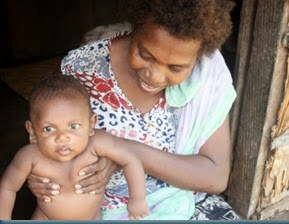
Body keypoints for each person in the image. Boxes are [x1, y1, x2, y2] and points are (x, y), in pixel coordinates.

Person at [27, 0, 240, 220]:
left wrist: (122, 152)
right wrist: (41, 174)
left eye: (176, 67)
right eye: (145, 55)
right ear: (135, 26)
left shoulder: (206, 76)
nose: (154, 76)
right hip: (97, 211)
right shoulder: (82, 70)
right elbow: (47, 141)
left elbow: (215, 176)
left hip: (182, 203)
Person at [0, 75, 149, 220]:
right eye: (49, 129)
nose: (62, 137)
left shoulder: (98, 143)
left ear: (91, 124)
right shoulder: (29, 156)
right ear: (32, 131)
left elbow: (131, 159)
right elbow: (7, 187)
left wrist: (137, 199)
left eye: (73, 126)